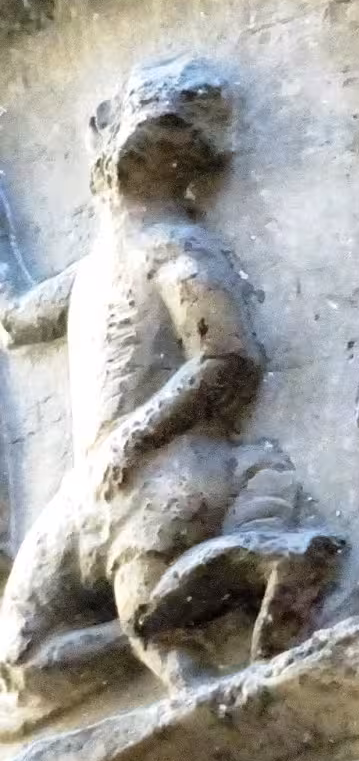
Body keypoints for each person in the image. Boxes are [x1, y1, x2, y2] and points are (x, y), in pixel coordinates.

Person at [0, 56, 270, 720]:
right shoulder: (95, 269)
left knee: (150, 616)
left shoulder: (179, 249)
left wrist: (140, 433)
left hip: (166, 466)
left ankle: (194, 666)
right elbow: (14, 313)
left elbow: (230, 357)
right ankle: (213, 598)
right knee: (17, 652)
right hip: (91, 489)